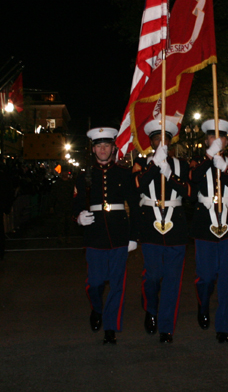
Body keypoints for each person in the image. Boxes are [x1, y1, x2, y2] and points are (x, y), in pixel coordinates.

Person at [74, 127, 138, 345]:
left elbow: (135, 206)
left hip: (119, 234)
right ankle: (97, 309)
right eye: (99, 146)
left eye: (107, 145)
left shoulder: (123, 173)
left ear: (113, 148)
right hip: (94, 235)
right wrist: (78, 217)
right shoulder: (84, 176)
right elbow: (76, 203)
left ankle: (111, 326)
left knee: (117, 285)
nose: (103, 149)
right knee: (95, 283)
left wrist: (133, 236)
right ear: (93, 149)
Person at [133, 119, 190, 344]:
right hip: (150, 226)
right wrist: (155, 166)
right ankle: (151, 308)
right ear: (151, 142)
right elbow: (137, 187)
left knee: (172, 280)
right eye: (157, 139)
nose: (161, 143)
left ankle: (166, 327)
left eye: (165, 139)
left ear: (171, 141)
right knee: (153, 276)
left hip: (175, 226)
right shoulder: (140, 164)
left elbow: (187, 192)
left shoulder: (182, 165)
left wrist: (169, 172)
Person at [190, 119, 228, 343]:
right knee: (206, 277)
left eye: (221, 137)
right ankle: (203, 304)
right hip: (205, 225)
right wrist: (209, 160)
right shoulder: (197, 164)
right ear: (206, 141)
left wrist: (225, 168)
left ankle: (223, 327)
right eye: (213, 137)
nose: (217, 141)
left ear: (227, 141)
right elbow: (191, 185)